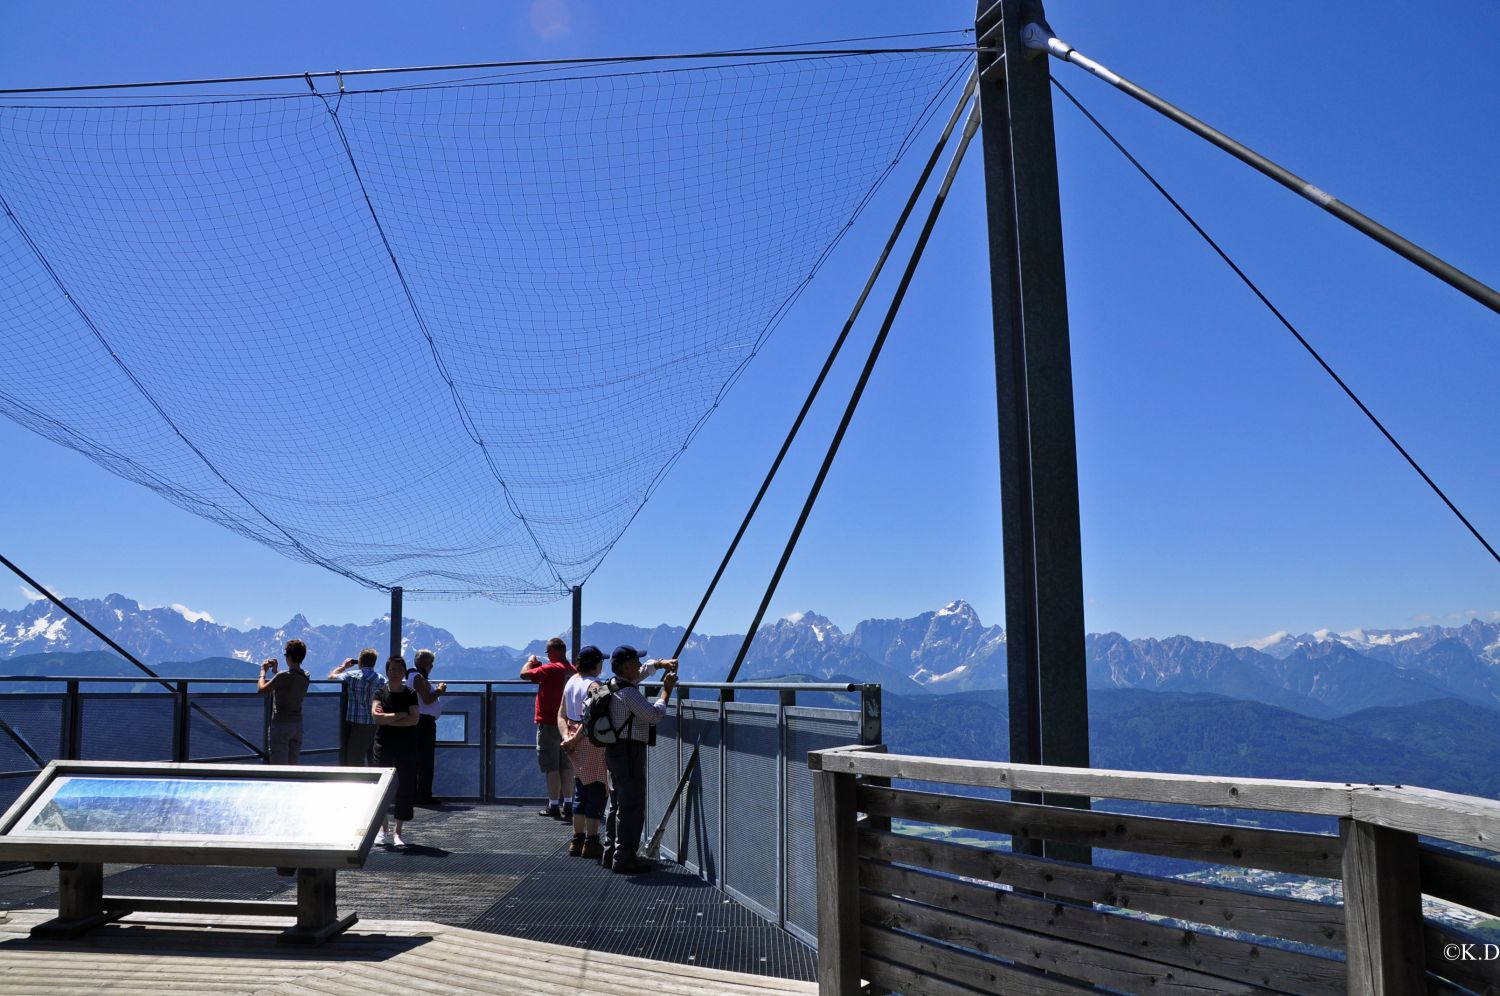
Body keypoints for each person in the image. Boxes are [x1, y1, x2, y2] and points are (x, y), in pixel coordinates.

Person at [601, 645, 677, 874]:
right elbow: (653, 716)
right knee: (631, 804)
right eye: (635, 662)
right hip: (629, 752)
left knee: (616, 803)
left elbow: (642, 672)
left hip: (613, 750)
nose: (638, 665)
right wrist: (666, 691)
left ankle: (611, 852)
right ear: (626, 666)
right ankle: (625, 857)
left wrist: (659, 663)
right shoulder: (629, 693)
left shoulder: (614, 684)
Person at [557, 645, 608, 859]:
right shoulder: (595, 685)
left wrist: (567, 739)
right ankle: (592, 840)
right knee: (596, 786)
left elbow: (561, 713)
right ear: (596, 663)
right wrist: (577, 739)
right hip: (589, 741)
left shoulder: (571, 681)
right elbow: (592, 717)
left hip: (570, 737)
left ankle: (576, 839)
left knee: (580, 788)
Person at [520, 637, 575, 819]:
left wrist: (530, 661)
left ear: (553, 651)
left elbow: (524, 675)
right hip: (568, 725)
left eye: (548, 652)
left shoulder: (551, 669)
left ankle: (553, 806)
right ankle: (568, 803)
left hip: (549, 723)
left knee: (551, 766)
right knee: (566, 766)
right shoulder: (572, 670)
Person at [371, 655, 421, 847]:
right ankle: (382, 830)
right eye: (391, 669)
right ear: (387, 671)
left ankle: (398, 832)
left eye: (398, 670)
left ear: (403, 673)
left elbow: (414, 720)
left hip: (405, 744)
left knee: (405, 785)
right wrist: (401, 715)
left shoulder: (410, 693)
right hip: (384, 743)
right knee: (381, 786)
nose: (394, 673)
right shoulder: (379, 693)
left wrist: (389, 718)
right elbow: (377, 717)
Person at [258, 639, 311, 765]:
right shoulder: (306, 675)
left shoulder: (283, 676)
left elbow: (262, 690)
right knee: (293, 767)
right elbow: (288, 682)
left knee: (279, 768)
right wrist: (276, 671)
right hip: (297, 726)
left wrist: (262, 673)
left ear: (290, 656)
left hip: (281, 725)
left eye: (286, 655)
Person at [329, 648, 385, 766]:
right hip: (376, 724)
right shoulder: (381, 679)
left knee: (354, 760)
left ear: (360, 661)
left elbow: (332, 677)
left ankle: (358, 783)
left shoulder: (352, 676)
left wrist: (343, 666)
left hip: (358, 726)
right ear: (374, 662)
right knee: (373, 760)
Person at [408, 648, 447, 805]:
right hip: (423, 723)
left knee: (419, 759)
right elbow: (427, 699)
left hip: (420, 721)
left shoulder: (416, 676)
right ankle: (423, 795)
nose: (432, 666)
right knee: (425, 760)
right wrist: (439, 690)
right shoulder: (417, 677)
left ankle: (418, 793)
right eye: (431, 663)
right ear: (424, 663)